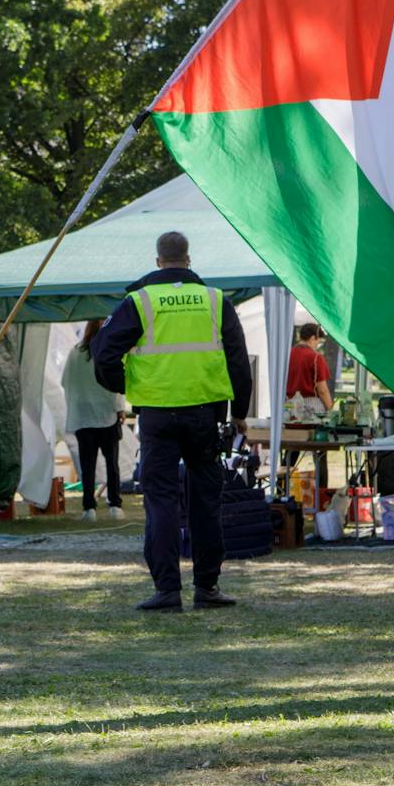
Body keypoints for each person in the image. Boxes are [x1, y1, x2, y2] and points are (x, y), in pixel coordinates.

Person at [91, 230, 253, 612]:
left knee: (161, 500)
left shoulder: (141, 301)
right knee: (205, 501)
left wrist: (130, 385)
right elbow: (239, 361)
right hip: (205, 415)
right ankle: (207, 586)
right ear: (189, 259)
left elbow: (103, 354)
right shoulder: (215, 301)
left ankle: (167, 590)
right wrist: (240, 412)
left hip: (158, 415)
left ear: (158, 260)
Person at [63, 318, 126, 523]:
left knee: (87, 465)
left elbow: (65, 381)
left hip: (83, 417)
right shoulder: (108, 351)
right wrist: (120, 408)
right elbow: (116, 382)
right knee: (112, 464)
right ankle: (115, 505)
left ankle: (88, 507)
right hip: (106, 414)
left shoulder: (75, 352)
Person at [285, 322, 335, 488]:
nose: (317, 345)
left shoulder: (286, 355)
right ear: (313, 337)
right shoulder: (315, 358)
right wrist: (331, 409)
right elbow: (322, 389)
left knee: (290, 452)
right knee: (320, 455)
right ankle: (321, 494)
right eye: (318, 341)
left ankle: (282, 488)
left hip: (290, 412)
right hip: (313, 413)